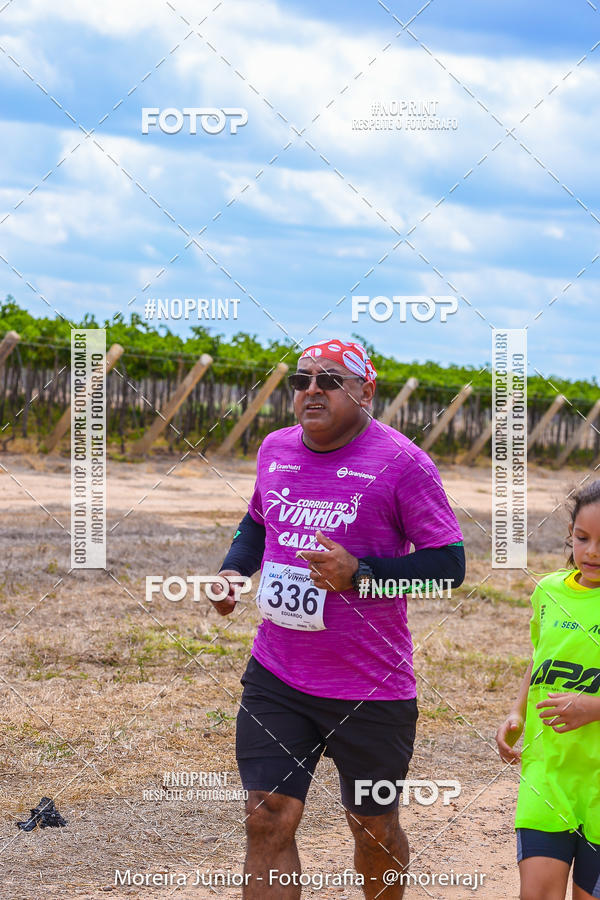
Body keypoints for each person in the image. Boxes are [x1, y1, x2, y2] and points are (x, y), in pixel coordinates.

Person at [212, 338, 465, 898]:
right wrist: (234, 570)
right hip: (277, 675)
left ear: (365, 391)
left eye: (329, 380)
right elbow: (256, 521)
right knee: (266, 816)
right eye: (302, 379)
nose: (311, 390)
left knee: (372, 828)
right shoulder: (275, 449)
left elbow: (449, 566)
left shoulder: (402, 463)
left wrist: (361, 575)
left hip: (370, 689)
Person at [496, 480, 600, 900]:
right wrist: (518, 713)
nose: (592, 551)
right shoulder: (549, 591)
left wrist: (594, 707)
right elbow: (540, 658)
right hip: (548, 773)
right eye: (582, 538)